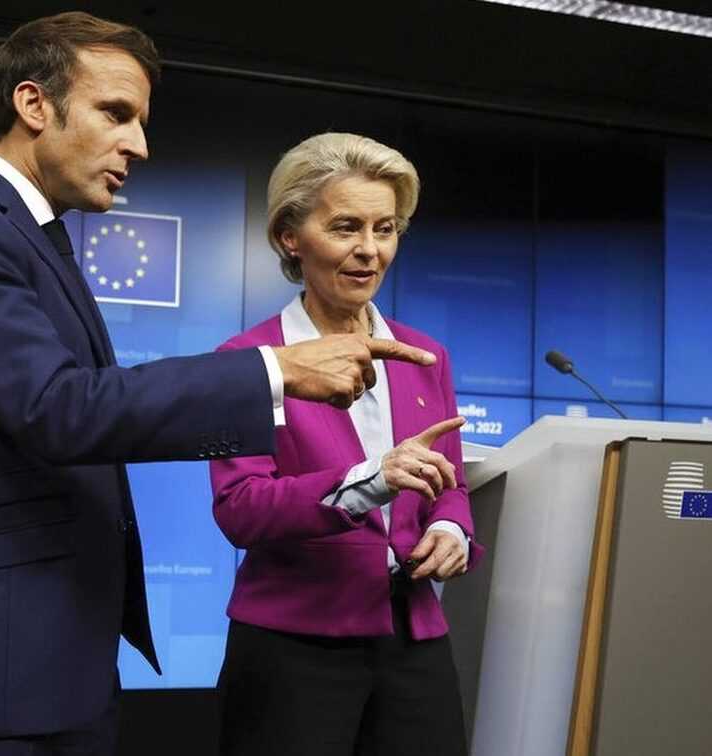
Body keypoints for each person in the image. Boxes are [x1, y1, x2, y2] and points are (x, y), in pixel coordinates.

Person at [0, 14, 437, 754]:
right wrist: (276, 370)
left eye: (140, 121)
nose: (138, 144)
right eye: (116, 114)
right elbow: (58, 409)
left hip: (47, 659)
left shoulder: (31, 236)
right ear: (33, 104)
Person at [209, 132, 484, 756]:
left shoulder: (426, 356)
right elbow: (241, 509)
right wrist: (372, 481)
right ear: (290, 237)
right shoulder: (248, 360)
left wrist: (451, 530)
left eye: (385, 229)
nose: (369, 250)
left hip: (413, 641)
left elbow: (451, 486)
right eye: (345, 227)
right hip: (292, 647)